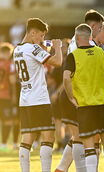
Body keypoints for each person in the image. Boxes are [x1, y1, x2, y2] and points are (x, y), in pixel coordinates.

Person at [63, 24, 104, 172]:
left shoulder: (73, 56)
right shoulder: (103, 53)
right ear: (90, 37)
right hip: (103, 104)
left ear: (76, 37)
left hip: (85, 106)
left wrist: (71, 98)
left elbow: (66, 79)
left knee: (88, 145)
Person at [55, 9, 104, 172]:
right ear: (92, 26)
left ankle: (61, 168)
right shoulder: (84, 45)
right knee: (79, 137)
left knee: (79, 135)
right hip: (75, 94)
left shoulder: (79, 42)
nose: (99, 31)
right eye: (99, 28)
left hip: (77, 94)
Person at [13, 18, 62, 172]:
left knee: (27, 138)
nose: (42, 39)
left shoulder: (17, 49)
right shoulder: (32, 49)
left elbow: (38, 62)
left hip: (25, 99)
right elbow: (58, 62)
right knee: (48, 137)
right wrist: (58, 47)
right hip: (39, 99)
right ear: (32, 33)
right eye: (41, 35)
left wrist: (43, 47)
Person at [0, 42, 17, 151]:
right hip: (5, 96)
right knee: (8, 121)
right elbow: (12, 81)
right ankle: (4, 144)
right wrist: (14, 95)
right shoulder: (9, 64)